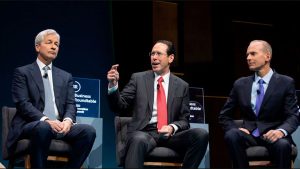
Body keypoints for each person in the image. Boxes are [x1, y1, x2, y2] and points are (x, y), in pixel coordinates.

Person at [107, 40, 209, 168]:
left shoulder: (182, 86)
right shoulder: (138, 79)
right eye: (152, 53)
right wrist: (113, 85)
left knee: (201, 134)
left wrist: (172, 127)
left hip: (170, 135)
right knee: (138, 139)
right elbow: (119, 106)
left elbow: (184, 120)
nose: (154, 57)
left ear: (170, 58)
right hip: (145, 132)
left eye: (159, 54)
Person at [8, 29, 96, 168]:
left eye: (57, 44)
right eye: (49, 42)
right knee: (43, 127)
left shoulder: (65, 76)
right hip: (33, 124)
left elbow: (71, 104)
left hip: (59, 126)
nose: (54, 46)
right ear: (37, 47)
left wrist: (67, 121)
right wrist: (47, 120)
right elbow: (23, 104)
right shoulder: (23, 72)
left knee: (88, 131)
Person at [219, 40, 299, 168]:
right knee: (232, 135)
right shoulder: (240, 84)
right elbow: (224, 116)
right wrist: (235, 128)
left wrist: (281, 131)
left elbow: (293, 116)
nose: (248, 58)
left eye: (253, 54)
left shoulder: (286, 82)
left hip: (274, 135)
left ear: (267, 56)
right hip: (250, 135)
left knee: (283, 145)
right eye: (247, 55)